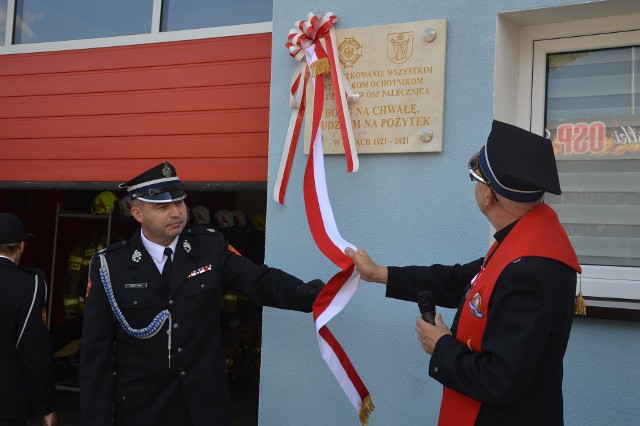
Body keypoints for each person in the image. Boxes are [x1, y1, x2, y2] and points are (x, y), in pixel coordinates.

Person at [346, 120, 582, 425]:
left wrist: (441, 345)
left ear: (489, 196)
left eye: (476, 179)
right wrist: (380, 273)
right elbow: (459, 280)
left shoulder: (528, 271)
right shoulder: (526, 244)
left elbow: (501, 381)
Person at [80, 162, 324, 426]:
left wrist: (306, 294)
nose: (175, 213)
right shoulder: (110, 266)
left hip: (205, 406)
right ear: (137, 213)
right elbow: (96, 355)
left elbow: (258, 280)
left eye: (179, 203)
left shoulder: (209, 246)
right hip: (144, 410)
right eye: (162, 207)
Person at [0, 213, 58, 426]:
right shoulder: (30, 284)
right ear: (21, 246)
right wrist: (47, 405)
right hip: (7, 402)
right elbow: (33, 349)